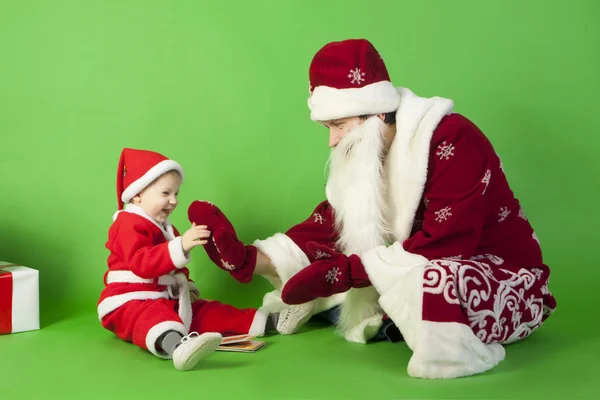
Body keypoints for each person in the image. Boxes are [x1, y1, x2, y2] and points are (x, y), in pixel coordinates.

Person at [187, 38, 557, 379]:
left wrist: (345, 273)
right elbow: (330, 225)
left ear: (374, 115)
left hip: (505, 277)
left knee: (426, 284)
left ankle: (423, 335)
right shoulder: (369, 153)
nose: (332, 141)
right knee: (341, 281)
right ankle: (389, 321)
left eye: (338, 125)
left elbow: (447, 243)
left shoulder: (454, 139)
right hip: (416, 265)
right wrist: (251, 258)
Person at [97, 148, 275, 371]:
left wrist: (187, 288)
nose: (173, 201)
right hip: (130, 302)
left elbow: (176, 270)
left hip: (165, 298)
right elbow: (141, 263)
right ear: (137, 194)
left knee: (208, 312)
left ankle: (270, 320)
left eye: (176, 194)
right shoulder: (127, 225)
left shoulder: (168, 229)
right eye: (166, 193)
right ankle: (178, 347)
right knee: (153, 318)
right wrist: (180, 246)